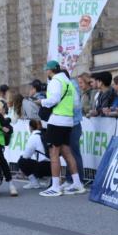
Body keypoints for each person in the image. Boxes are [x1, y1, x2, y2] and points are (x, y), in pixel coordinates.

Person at [38, 60, 85, 196]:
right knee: (67, 152)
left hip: (57, 120)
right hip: (68, 120)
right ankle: (77, 184)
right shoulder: (69, 82)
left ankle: (55, 187)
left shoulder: (55, 81)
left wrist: (41, 101)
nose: (46, 72)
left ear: (50, 70)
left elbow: (53, 100)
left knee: (54, 154)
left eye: (47, 70)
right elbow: (76, 104)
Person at [17, 119, 50, 190]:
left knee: (22, 161)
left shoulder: (34, 137)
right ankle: (50, 179)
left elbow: (26, 155)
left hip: (44, 167)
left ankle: (34, 182)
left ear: (31, 127)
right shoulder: (47, 134)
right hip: (54, 166)